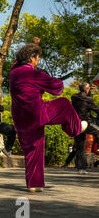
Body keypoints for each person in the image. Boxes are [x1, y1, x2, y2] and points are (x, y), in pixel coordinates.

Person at [9, 37, 87, 193]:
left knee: (34, 149)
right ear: (32, 58)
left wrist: (34, 46)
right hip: (36, 113)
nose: (38, 61)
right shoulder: (34, 74)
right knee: (64, 104)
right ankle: (75, 128)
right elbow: (57, 88)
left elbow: (18, 60)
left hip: (20, 119)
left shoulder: (13, 72)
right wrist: (55, 81)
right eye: (37, 58)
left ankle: (34, 184)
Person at [71, 83, 99, 174]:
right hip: (87, 123)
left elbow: (83, 98)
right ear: (87, 89)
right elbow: (96, 109)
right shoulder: (88, 99)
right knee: (98, 132)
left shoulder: (74, 97)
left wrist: (89, 91)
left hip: (77, 123)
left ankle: (81, 168)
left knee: (80, 146)